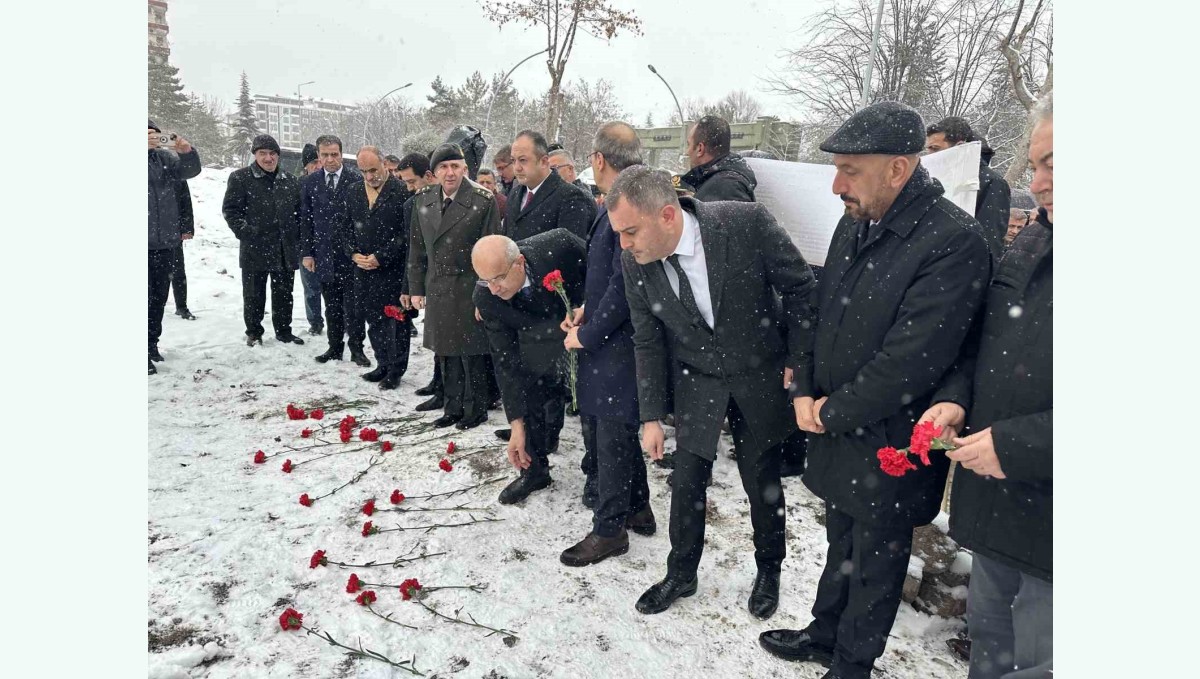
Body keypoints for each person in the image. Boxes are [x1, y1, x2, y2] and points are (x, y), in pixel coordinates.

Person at [759, 102, 992, 679]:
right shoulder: (855, 222)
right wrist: (805, 390)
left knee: (875, 559)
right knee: (840, 538)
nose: (837, 185)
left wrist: (830, 410)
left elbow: (912, 360)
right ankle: (825, 633)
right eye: (836, 169)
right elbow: (818, 309)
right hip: (836, 422)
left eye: (850, 170)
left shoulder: (952, 240)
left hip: (891, 437)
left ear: (898, 168)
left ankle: (853, 662)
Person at [611, 166, 817, 619]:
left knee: (760, 480)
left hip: (759, 375)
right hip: (698, 380)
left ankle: (769, 569)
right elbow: (646, 339)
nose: (624, 244)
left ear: (667, 215)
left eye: (630, 232)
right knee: (686, 483)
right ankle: (681, 572)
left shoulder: (744, 224)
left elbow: (803, 290)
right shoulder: (635, 261)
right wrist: (650, 416)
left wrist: (798, 364)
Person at [922, 93, 1053, 679]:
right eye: (1037, 163)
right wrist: (957, 396)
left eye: (1054, 163)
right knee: (990, 653)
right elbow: (984, 337)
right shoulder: (1035, 239)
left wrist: (1020, 446)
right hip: (999, 513)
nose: (1038, 180)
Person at [557, 122, 656, 567]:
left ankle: (609, 528)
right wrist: (584, 309)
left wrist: (588, 333)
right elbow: (606, 282)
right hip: (612, 335)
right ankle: (639, 507)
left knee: (613, 435)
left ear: (598, 159)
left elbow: (624, 282)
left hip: (621, 342)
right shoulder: (625, 195)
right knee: (616, 429)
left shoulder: (628, 201)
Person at [472, 230, 586, 504]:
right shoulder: (487, 295)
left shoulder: (561, 246)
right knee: (529, 394)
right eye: (485, 280)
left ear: (520, 262)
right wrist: (516, 425)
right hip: (533, 340)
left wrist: (587, 307)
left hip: (580, 332)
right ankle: (535, 471)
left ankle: (595, 474)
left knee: (592, 409)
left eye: (498, 278)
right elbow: (505, 360)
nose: (494, 288)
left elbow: (605, 273)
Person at [407, 143, 501, 430]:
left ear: (465, 169)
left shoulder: (483, 201)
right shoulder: (423, 200)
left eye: (455, 167)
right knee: (444, 349)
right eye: (443, 167)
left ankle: (475, 408)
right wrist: (416, 288)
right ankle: (452, 405)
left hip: (469, 284)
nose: (450, 173)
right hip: (438, 285)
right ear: (433, 172)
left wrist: (485, 293)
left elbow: (492, 249)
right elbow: (417, 248)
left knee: (471, 351)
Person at [221, 134, 305, 347]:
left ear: (278, 155)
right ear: (255, 155)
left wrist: (296, 238)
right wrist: (246, 232)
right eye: (263, 154)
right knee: (253, 295)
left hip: (284, 249)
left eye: (272, 153)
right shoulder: (240, 178)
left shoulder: (290, 180)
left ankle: (284, 331)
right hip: (255, 248)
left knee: (284, 295)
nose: (268, 158)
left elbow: (299, 213)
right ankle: (254, 332)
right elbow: (231, 211)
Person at [342, 146, 411, 390]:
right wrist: (353, 253)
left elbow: (407, 234)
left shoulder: (402, 191)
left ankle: (396, 369)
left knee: (397, 321)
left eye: (373, 170)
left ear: (384, 164)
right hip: (363, 270)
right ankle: (382, 363)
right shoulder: (353, 191)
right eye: (364, 172)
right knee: (373, 318)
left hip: (392, 270)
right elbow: (344, 226)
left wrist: (381, 256)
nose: (370, 176)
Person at [301, 134, 368, 367]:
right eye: (325, 155)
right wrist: (307, 253)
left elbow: (362, 218)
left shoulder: (355, 180)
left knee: (355, 306)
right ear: (318, 156)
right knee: (332, 306)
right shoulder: (310, 182)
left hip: (350, 255)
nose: (330, 159)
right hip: (324, 255)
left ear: (341, 154)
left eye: (334, 154)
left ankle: (357, 348)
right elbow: (305, 221)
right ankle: (334, 347)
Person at [148, 119, 201, 374]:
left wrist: (187, 153)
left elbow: (188, 173)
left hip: (165, 243)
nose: (152, 140)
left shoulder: (165, 160)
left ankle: (150, 344)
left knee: (158, 299)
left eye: (156, 135)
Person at [926, 117, 1012, 262]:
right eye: (928, 149)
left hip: (961, 270)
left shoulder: (992, 183)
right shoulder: (934, 178)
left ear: (959, 146)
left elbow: (990, 241)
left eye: (935, 149)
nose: (930, 155)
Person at [396, 152, 442, 409]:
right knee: (435, 332)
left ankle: (448, 383)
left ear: (428, 175)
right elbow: (412, 250)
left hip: (451, 279)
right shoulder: (412, 205)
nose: (409, 188)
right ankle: (439, 380)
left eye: (412, 182)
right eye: (405, 183)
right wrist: (409, 286)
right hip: (427, 278)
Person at [504, 130, 596, 242]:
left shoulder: (570, 196)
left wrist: (524, 255)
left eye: (523, 160)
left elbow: (570, 248)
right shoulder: (514, 194)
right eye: (513, 160)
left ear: (543, 161)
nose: (517, 167)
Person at [680, 115, 757, 202]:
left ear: (700, 149)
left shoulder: (725, 188)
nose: (687, 152)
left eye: (689, 144)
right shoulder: (722, 183)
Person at [298, 142, 324, 335]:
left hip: (329, 245)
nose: (318, 165)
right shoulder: (298, 185)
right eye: (313, 162)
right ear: (306, 165)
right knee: (311, 288)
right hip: (306, 245)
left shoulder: (330, 183)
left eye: (319, 160)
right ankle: (315, 322)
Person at [168, 175, 197, 321]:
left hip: (172, 231)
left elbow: (185, 202)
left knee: (177, 270)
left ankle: (181, 306)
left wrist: (186, 228)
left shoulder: (174, 173)